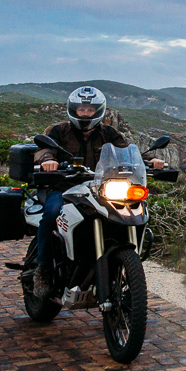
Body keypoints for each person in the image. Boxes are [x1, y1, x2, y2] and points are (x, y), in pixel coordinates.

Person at [30, 86, 165, 296]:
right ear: (73, 109)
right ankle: (43, 270)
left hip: (96, 188)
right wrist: (48, 160)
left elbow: (126, 150)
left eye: (90, 110)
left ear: (98, 111)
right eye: (81, 109)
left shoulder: (108, 133)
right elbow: (43, 150)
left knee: (122, 211)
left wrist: (149, 160)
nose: (85, 114)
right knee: (51, 214)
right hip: (63, 187)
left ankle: (111, 260)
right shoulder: (58, 130)